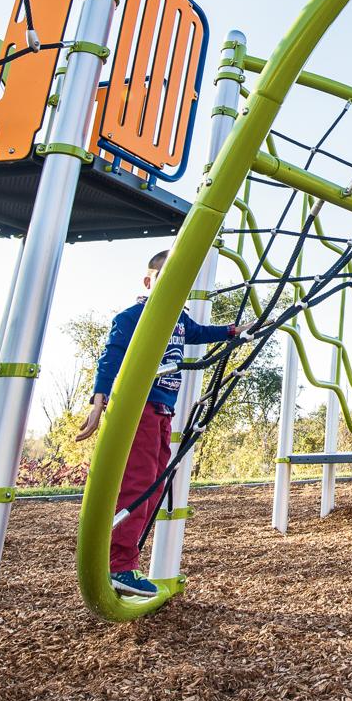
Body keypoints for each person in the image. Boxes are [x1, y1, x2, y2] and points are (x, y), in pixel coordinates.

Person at [76, 250, 237, 597]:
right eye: (166, 280)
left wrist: (232, 331)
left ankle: (124, 561)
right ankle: (119, 565)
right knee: (137, 485)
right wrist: (98, 402)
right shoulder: (134, 316)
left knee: (153, 486)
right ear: (149, 282)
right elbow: (110, 357)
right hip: (139, 408)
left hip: (163, 411)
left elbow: (198, 333)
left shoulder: (178, 319)